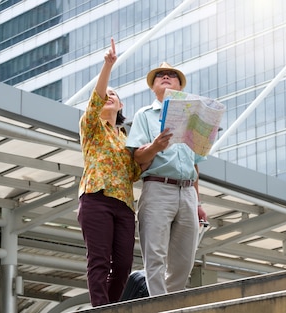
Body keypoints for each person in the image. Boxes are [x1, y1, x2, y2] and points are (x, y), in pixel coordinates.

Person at [126, 62, 208, 296]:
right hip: (157, 187)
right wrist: (156, 146)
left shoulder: (192, 119)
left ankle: (166, 304)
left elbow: (194, 164)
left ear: (180, 86)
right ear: (153, 87)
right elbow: (137, 156)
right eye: (159, 76)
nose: (165, 77)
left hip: (188, 192)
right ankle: (158, 305)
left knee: (184, 261)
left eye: (172, 75)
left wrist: (199, 203)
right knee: (155, 257)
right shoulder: (144, 115)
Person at [77, 38, 145, 307]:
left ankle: (112, 307)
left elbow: (136, 170)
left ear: (121, 107)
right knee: (99, 261)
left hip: (125, 205)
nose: (107, 97)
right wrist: (108, 64)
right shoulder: (92, 126)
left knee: (124, 265)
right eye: (105, 95)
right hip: (97, 198)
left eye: (113, 96)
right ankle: (100, 310)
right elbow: (96, 98)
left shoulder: (127, 139)